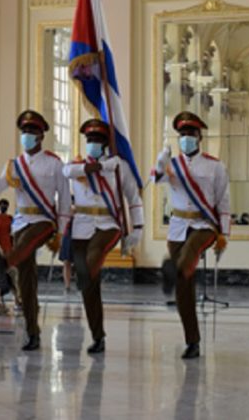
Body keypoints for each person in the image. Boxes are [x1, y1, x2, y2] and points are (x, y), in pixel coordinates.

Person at [0, 110, 72, 351]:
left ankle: (2, 264)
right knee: (27, 281)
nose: (27, 135)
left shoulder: (54, 163)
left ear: (41, 135)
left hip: (45, 221)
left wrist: (62, 232)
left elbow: (64, 199)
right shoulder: (14, 165)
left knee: (26, 244)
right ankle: (33, 332)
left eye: (31, 131)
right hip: (21, 222)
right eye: (24, 131)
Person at [62, 119, 144, 354]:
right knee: (88, 284)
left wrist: (138, 228)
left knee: (90, 264)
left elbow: (134, 198)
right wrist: (97, 168)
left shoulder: (120, 167)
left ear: (106, 143)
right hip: (81, 227)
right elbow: (66, 171)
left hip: (109, 224)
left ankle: (98, 335)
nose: (93, 143)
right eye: (89, 139)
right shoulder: (78, 166)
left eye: (97, 140)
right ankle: (98, 336)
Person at [154, 111, 230, 359]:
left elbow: (223, 200)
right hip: (178, 226)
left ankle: (170, 269)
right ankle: (192, 341)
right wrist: (161, 161)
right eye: (183, 134)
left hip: (204, 225)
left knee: (188, 255)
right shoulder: (172, 165)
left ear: (199, 137)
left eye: (191, 133)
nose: (186, 138)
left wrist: (224, 234)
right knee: (183, 289)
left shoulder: (214, 166)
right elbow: (156, 178)